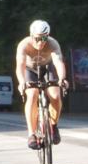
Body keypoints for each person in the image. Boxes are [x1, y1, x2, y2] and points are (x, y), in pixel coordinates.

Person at [15, 20, 69, 149]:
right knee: (32, 95)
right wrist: (22, 82)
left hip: (48, 67)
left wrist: (62, 78)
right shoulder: (24, 45)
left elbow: (58, 63)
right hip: (30, 69)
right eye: (37, 38)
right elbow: (20, 66)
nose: (41, 41)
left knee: (55, 96)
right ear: (31, 35)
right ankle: (31, 134)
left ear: (48, 35)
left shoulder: (53, 43)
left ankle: (53, 126)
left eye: (44, 37)